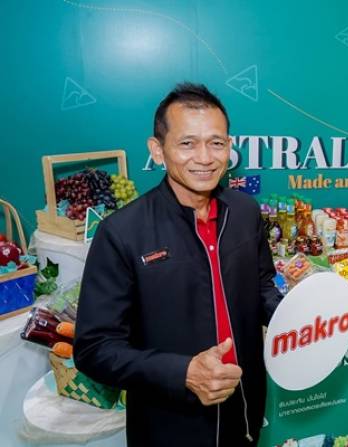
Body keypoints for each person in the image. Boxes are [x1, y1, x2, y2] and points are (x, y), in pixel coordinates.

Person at [74, 83, 282, 446]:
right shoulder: (122, 233)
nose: (205, 157)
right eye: (187, 143)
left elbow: (262, 284)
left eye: (216, 143)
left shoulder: (245, 212)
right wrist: (183, 372)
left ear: (230, 146)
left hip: (244, 410)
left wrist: (297, 317)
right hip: (170, 423)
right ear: (157, 150)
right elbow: (95, 348)